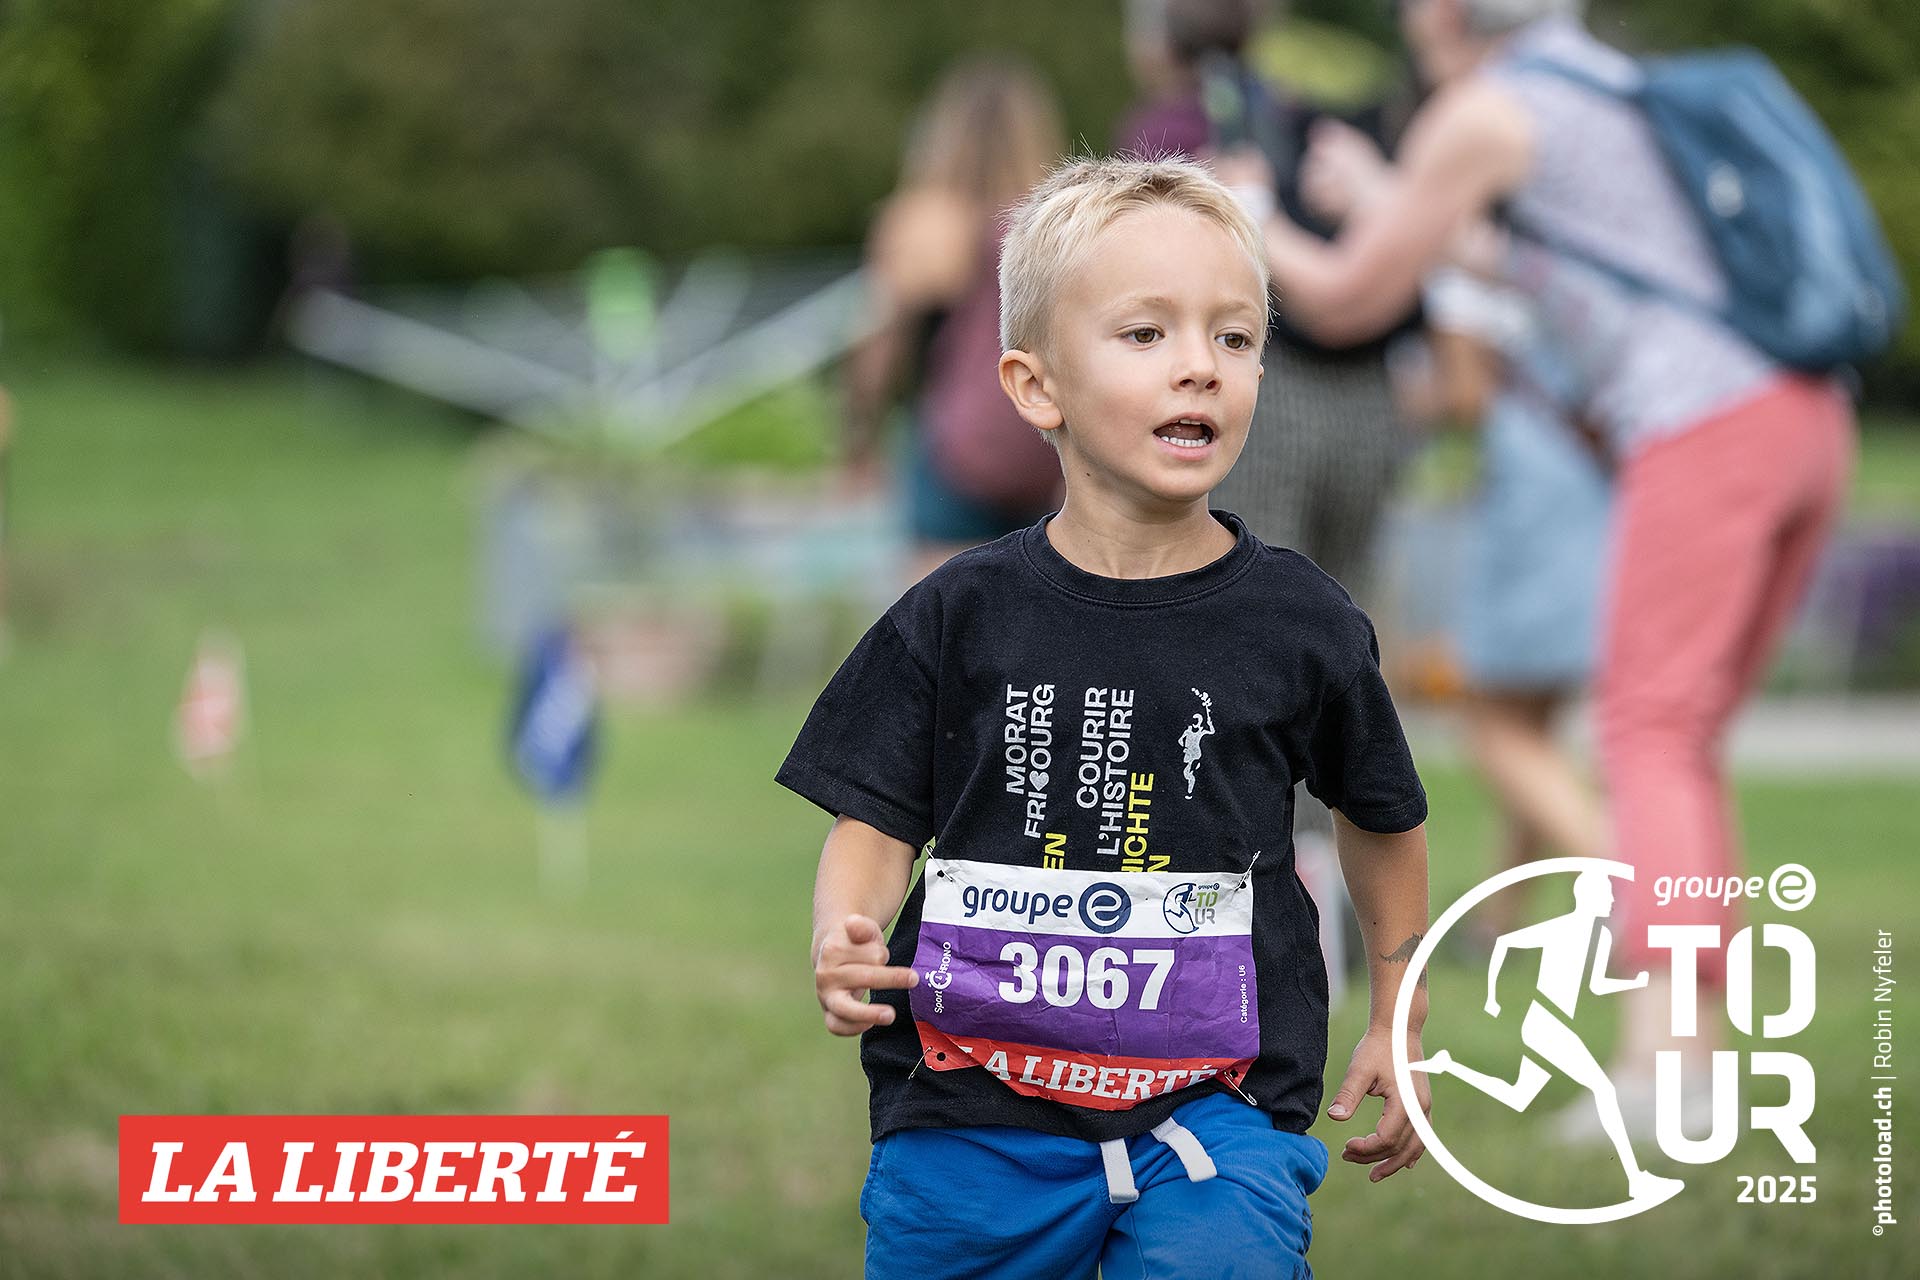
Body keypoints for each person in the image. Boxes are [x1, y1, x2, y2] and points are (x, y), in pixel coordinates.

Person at [779, 156, 1434, 1280]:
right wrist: (846, 928)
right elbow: (877, 817)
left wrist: (1397, 1015)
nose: (1200, 365)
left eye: (1234, 338)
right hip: (969, 1115)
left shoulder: (1304, 622)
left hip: (1217, 1113)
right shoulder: (956, 614)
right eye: (1146, 333)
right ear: (1036, 386)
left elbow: (1382, 818)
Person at [1226, 0, 1856, 1125]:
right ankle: (1694, 1051)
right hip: (1804, 416)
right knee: (1682, 736)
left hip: (1701, 424)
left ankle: (1668, 1071)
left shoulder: (1486, 109)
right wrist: (1389, 199)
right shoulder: (1600, 81)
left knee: (1649, 730)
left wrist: (1250, 210)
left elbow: (1349, 297)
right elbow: (1547, 265)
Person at [842, 58, 1067, 583]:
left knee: (943, 618)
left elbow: (877, 347)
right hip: (1045, 452)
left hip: (954, 456)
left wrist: (859, 441)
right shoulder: (1056, 225)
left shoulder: (923, 221)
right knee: (1041, 615)